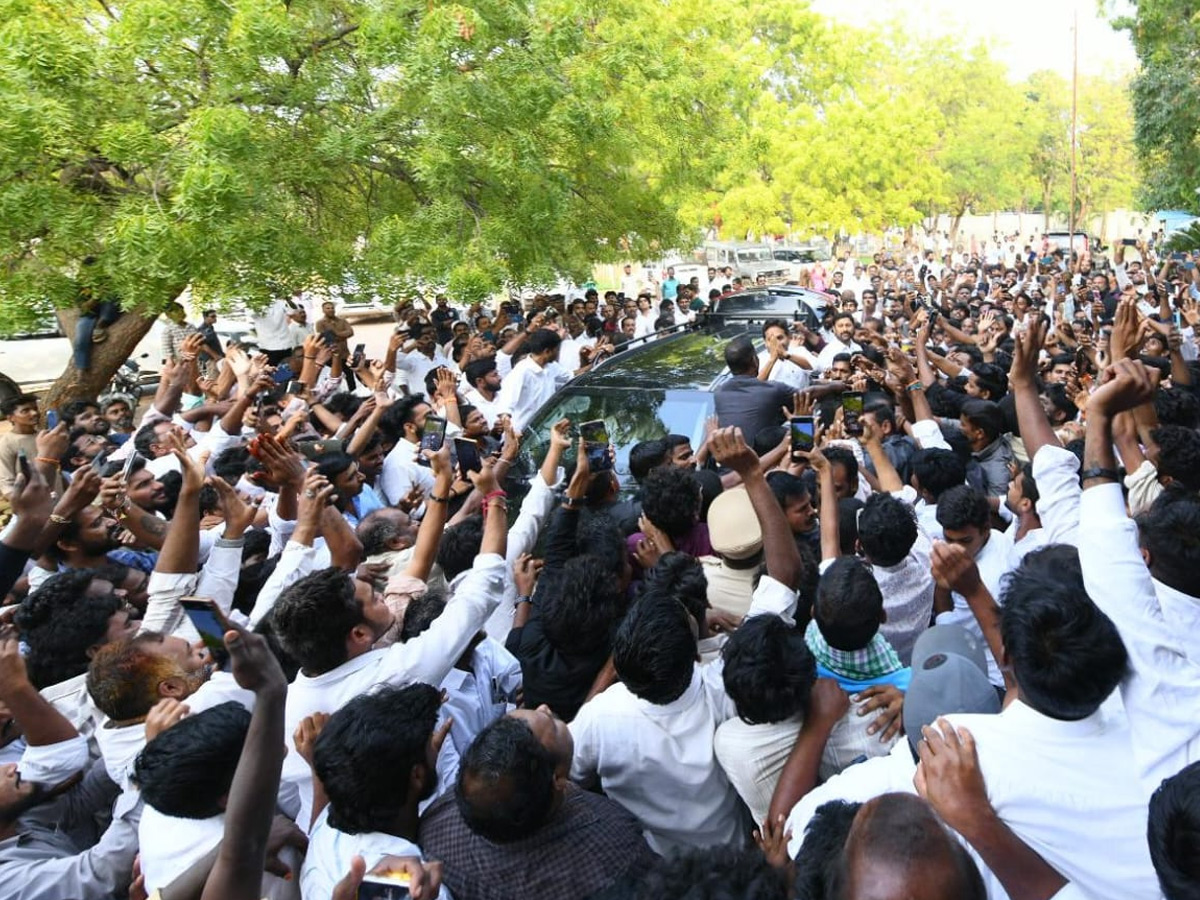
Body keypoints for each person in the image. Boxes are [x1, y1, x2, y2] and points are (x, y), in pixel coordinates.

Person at [420, 710, 655, 900]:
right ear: (558, 779)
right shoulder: (615, 850)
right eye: (553, 726)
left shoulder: (433, 832)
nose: (544, 708)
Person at [713, 337, 794, 448]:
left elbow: (754, 387)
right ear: (755, 360)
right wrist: (803, 421)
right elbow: (803, 445)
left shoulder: (719, 393)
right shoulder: (774, 390)